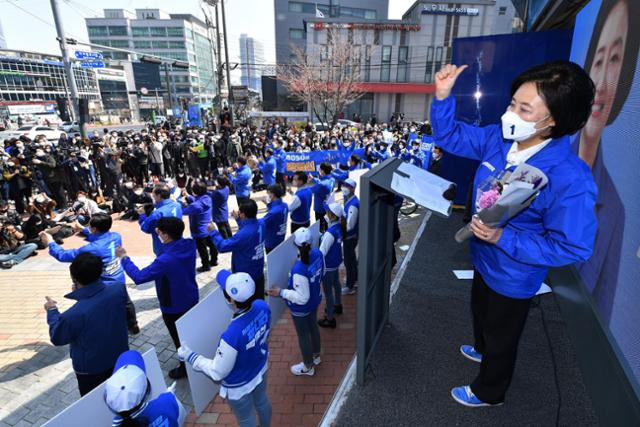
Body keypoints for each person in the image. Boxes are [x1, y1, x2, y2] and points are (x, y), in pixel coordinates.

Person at [431, 62, 597, 407]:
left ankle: (490, 391)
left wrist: (503, 238)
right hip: (481, 254)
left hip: (514, 272)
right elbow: (450, 136)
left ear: (553, 119)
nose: (511, 114)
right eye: (512, 104)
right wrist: (443, 97)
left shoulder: (570, 178)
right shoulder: (499, 138)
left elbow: (572, 247)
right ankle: (481, 348)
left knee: (503, 335)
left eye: (524, 108)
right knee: (481, 310)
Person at [573, 0, 640, 323]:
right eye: (598, 60)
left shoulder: (614, 208)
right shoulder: (548, 162)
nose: (602, 82)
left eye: (615, 59)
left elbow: (600, 312)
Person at [178, 270, 272, 427]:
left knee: (246, 418)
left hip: (239, 385)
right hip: (261, 368)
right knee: (262, 402)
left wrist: (191, 356)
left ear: (231, 300)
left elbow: (217, 372)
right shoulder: (262, 305)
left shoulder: (231, 335)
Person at [117, 216, 199, 380]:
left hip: (173, 306)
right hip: (191, 296)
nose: (157, 233)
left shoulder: (164, 260)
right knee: (190, 333)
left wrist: (124, 258)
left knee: (179, 340)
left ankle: (185, 367)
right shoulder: (189, 244)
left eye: (160, 232)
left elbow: (139, 277)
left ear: (167, 235)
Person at [44, 253, 129, 396]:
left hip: (91, 369)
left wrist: (52, 310)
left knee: (95, 402)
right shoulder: (118, 288)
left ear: (74, 279)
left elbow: (57, 337)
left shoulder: (73, 315)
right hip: (120, 354)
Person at [44, 213, 139, 334]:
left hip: (103, 285)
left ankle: (111, 330)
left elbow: (63, 255)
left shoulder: (91, 249)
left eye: (90, 226)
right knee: (126, 302)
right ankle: (133, 325)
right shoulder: (116, 236)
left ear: (94, 228)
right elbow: (102, 237)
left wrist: (51, 243)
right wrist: (83, 230)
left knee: (104, 310)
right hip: (118, 277)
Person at [266, 227, 324, 376]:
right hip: (315, 299)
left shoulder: (299, 270)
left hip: (301, 309)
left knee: (304, 335)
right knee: (313, 327)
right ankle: (316, 356)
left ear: (295, 244)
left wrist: (281, 292)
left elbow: (302, 298)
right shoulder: (318, 253)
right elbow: (321, 273)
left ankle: (308, 366)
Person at [105, 350, 186, 427]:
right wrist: (170, 394)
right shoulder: (166, 401)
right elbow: (181, 417)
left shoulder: (115, 424)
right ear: (147, 390)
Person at [208, 199, 265, 301]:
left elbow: (222, 246)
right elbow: (249, 226)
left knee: (248, 303)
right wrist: (238, 220)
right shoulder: (262, 223)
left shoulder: (242, 235)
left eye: (240, 212)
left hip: (245, 274)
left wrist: (213, 232)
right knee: (259, 299)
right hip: (258, 270)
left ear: (243, 214)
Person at [317, 203, 344, 328]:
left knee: (328, 292)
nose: (325, 214)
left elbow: (321, 253)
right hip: (335, 263)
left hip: (327, 266)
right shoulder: (339, 227)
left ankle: (330, 318)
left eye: (327, 212)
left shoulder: (329, 233)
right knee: (336, 284)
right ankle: (338, 305)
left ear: (332, 216)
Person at [182, 180, 218, 272]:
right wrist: (188, 196)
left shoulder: (195, 205)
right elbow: (197, 200)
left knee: (202, 250)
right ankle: (214, 261)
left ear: (195, 191)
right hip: (208, 227)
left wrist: (178, 201)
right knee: (212, 245)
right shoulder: (207, 198)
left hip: (199, 230)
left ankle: (206, 266)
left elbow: (184, 211)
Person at [138, 184, 183, 256]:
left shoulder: (157, 214)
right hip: (178, 243)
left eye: (154, 195)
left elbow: (145, 228)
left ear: (159, 196)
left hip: (163, 248)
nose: (153, 197)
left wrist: (142, 215)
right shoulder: (177, 205)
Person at [341, 178, 359, 295]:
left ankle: (350, 286)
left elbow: (350, 225)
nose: (344, 187)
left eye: (347, 186)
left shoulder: (353, 205)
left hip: (350, 237)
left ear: (353, 188)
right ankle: (354, 280)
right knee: (352, 260)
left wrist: (338, 228)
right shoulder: (350, 201)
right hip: (351, 237)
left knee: (349, 262)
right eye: (343, 185)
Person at [260, 185, 288, 254]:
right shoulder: (285, 205)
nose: (267, 195)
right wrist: (268, 204)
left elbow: (261, 223)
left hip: (271, 241)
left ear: (272, 194)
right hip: (280, 237)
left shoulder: (274, 212)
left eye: (268, 193)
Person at [309, 163, 335, 232]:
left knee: (320, 230)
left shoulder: (321, 185)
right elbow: (322, 182)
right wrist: (314, 179)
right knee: (327, 226)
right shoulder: (332, 179)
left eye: (320, 169)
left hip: (320, 209)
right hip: (328, 207)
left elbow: (309, 190)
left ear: (322, 171)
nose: (319, 170)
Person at [209, 175, 232, 239]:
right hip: (224, 210)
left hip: (218, 213)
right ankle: (231, 239)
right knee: (227, 226)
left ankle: (226, 244)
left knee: (222, 230)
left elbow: (211, 195)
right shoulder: (226, 188)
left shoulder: (218, 192)